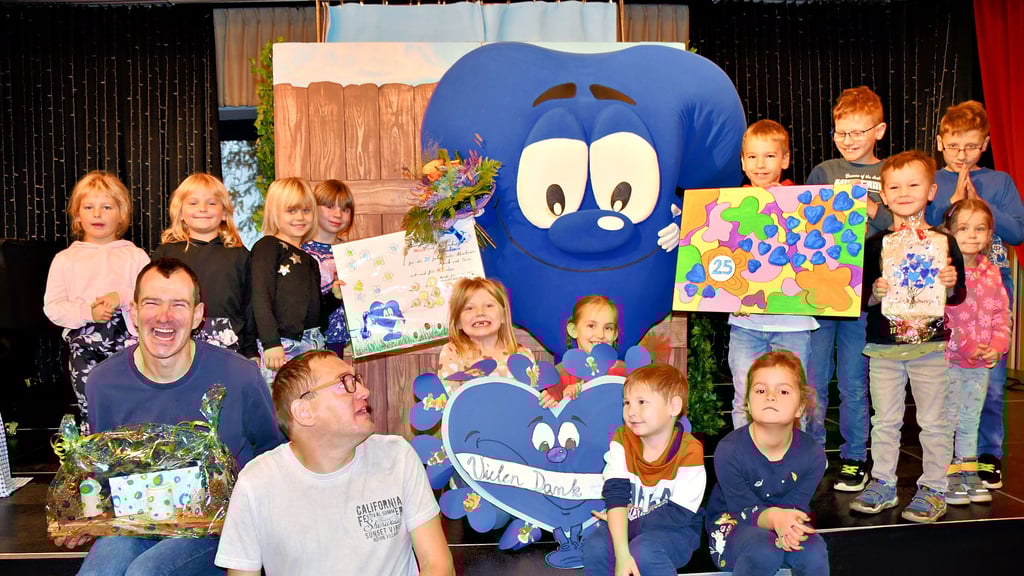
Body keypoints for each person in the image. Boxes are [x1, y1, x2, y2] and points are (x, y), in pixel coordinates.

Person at [64, 257, 284, 576]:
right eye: (152, 303)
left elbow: (273, 455)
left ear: (197, 315)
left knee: (147, 572)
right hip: (139, 522)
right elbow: (104, 473)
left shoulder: (240, 376)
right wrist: (89, 513)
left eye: (178, 305)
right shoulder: (103, 382)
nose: (164, 317)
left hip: (219, 526)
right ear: (134, 311)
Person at [215, 350, 454, 576]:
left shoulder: (397, 456)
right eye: (345, 383)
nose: (364, 391)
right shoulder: (256, 483)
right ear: (304, 412)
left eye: (357, 380)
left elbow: (438, 564)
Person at [851, 151, 966, 523]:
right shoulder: (875, 245)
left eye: (913, 184)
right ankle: (883, 482)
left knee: (933, 421)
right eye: (894, 187)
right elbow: (862, 299)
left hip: (930, 347)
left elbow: (958, 293)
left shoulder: (945, 243)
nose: (904, 192)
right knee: (884, 420)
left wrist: (950, 284)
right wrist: (876, 292)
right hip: (884, 347)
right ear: (882, 195)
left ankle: (934, 487)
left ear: (932, 191)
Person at [925, 100, 1024, 490]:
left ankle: (988, 453)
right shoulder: (933, 179)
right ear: (940, 143)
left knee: (991, 377)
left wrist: (980, 208)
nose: (961, 155)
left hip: (993, 287)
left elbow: (1017, 233)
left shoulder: (999, 182)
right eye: (953, 147)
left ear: (984, 143)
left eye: (970, 147)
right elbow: (923, 229)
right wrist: (949, 208)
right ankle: (952, 453)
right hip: (947, 288)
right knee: (947, 379)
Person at [805, 86, 893, 492]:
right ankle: (811, 451)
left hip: (867, 295)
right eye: (842, 132)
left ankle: (855, 456)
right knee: (815, 380)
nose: (849, 140)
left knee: (855, 382)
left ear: (879, 131)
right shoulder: (824, 171)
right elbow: (803, 222)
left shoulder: (891, 172)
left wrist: (873, 208)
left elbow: (902, 221)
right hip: (822, 292)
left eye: (858, 132)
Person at [728, 120, 819, 433]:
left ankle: (793, 470)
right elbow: (721, 260)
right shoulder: (727, 206)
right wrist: (727, 294)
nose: (760, 164)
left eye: (769, 156)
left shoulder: (805, 203)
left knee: (793, 399)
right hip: (745, 324)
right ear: (742, 162)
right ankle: (746, 465)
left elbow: (818, 256)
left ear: (785, 160)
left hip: (793, 323)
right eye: (752, 157)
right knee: (745, 396)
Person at [43, 170, 150, 430]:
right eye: (88, 207)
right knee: (92, 407)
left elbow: (149, 298)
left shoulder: (135, 256)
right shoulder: (65, 259)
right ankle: (95, 464)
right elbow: (53, 307)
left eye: (106, 207)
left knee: (134, 406)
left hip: (129, 344)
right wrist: (87, 313)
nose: (97, 213)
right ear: (78, 215)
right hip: (83, 346)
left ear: (121, 213)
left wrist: (120, 297)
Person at [706, 351, 828, 576]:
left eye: (783, 391)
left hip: (785, 518)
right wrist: (775, 519)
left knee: (814, 551)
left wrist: (786, 525)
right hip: (733, 520)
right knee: (763, 549)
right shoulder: (728, 450)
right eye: (761, 390)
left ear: (800, 407)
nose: (770, 396)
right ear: (748, 404)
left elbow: (796, 505)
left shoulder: (813, 455)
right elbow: (740, 508)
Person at [582, 364, 705, 576]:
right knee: (596, 546)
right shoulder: (622, 439)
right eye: (627, 403)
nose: (631, 411)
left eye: (642, 402)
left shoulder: (690, 450)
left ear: (673, 407)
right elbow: (616, 494)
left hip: (675, 531)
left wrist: (625, 524)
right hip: (630, 524)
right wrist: (622, 553)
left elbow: (679, 514)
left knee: (644, 551)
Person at [941, 199, 1010, 505]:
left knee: (971, 416)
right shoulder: (945, 272)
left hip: (981, 362)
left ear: (989, 233)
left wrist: (996, 346)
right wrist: (966, 345)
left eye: (980, 229)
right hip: (950, 360)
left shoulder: (992, 272)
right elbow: (939, 316)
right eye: (964, 228)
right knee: (948, 417)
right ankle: (947, 473)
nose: (972, 235)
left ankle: (968, 469)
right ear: (949, 232)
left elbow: (1001, 313)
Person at [153, 173, 257, 359]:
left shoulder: (239, 255)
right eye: (193, 203)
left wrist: (250, 350)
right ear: (180, 213)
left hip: (229, 342)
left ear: (224, 213)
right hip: (176, 337)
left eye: (211, 203)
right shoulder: (166, 254)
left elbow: (249, 306)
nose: (202, 209)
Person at [251, 177, 324, 385]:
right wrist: (271, 342)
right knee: (279, 408)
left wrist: (335, 298)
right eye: (291, 211)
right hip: (280, 347)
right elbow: (260, 295)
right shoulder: (268, 246)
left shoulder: (311, 260)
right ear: (275, 212)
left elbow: (315, 313)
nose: (300, 217)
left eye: (306, 210)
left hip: (312, 345)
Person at [437, 277, 534, 389]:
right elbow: (449, 401)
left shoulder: (523, 355)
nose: (480, 312)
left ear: (503, 316)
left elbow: (531, 397)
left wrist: (545, 400)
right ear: (458, 322)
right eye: (469, 308)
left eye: (489, 306)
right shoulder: (453, 353)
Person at [540, 295, 625, 407]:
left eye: (608, 328)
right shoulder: (558, 375)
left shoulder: (625, 372)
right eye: (591, 326)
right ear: (574, 330)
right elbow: (551, 417)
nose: (600, 335)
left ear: (615, 334)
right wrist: (563, 403)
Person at [301, 179, 355, 357]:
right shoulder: (300, 250)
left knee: (333, 382)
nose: (338, 214)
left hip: (337, 337)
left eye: (345, 209)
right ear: (313, 208)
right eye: (330, 206)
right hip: (306, 337)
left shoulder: (351, 253)